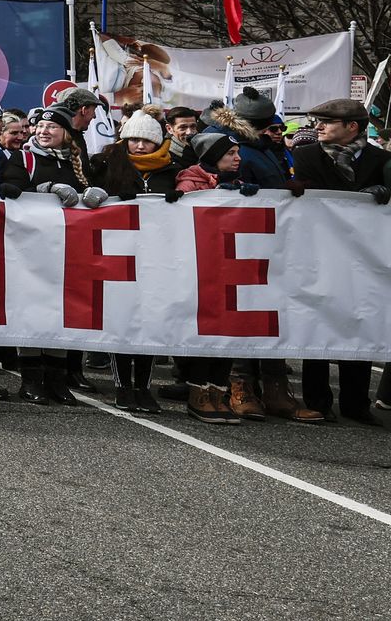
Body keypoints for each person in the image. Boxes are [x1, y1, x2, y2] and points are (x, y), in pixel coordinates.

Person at [290, 98, 391, 424]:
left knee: (359, 322)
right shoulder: (305, 155)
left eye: (326, 122)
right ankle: (317, 400)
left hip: (364, 259)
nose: (318, 127)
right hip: (318, 255)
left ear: (352, 127)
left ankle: (356, 403)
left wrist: (384, 192)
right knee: (317, 323)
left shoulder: (382, 160)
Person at [171, 131, 280, 424]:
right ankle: (199, 394)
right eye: (230, 154)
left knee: (228, 334)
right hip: (203, 268)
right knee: (205, 333)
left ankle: (219, 393)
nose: (238, 158)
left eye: (237, 153)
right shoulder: (189, 183)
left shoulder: (239, 183)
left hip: (230, 268)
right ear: (213, 157)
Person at [0, 104, 101, 406]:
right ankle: (31, 381)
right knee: (32, 312)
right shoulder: (24, 157)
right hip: (31, 250)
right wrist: (45, 188)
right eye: (39, 126)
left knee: (61, 313)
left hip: (69, 252)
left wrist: (100, 193)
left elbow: (95, 190)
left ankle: (57, 380)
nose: (43, 131)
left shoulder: (79, 161)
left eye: (51, 127)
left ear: (66, 133)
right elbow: (10, 188)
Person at [93, 111, 183, 413]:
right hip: (120, 252)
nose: (140, 146)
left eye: (146, 140)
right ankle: (122, 386)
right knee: (122, 319)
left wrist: (178, 198)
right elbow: (91, 198)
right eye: (134, 139)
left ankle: (143, 387)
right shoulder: (107, 165)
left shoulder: (171, 169)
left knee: (150, 321)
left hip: (157, 256)